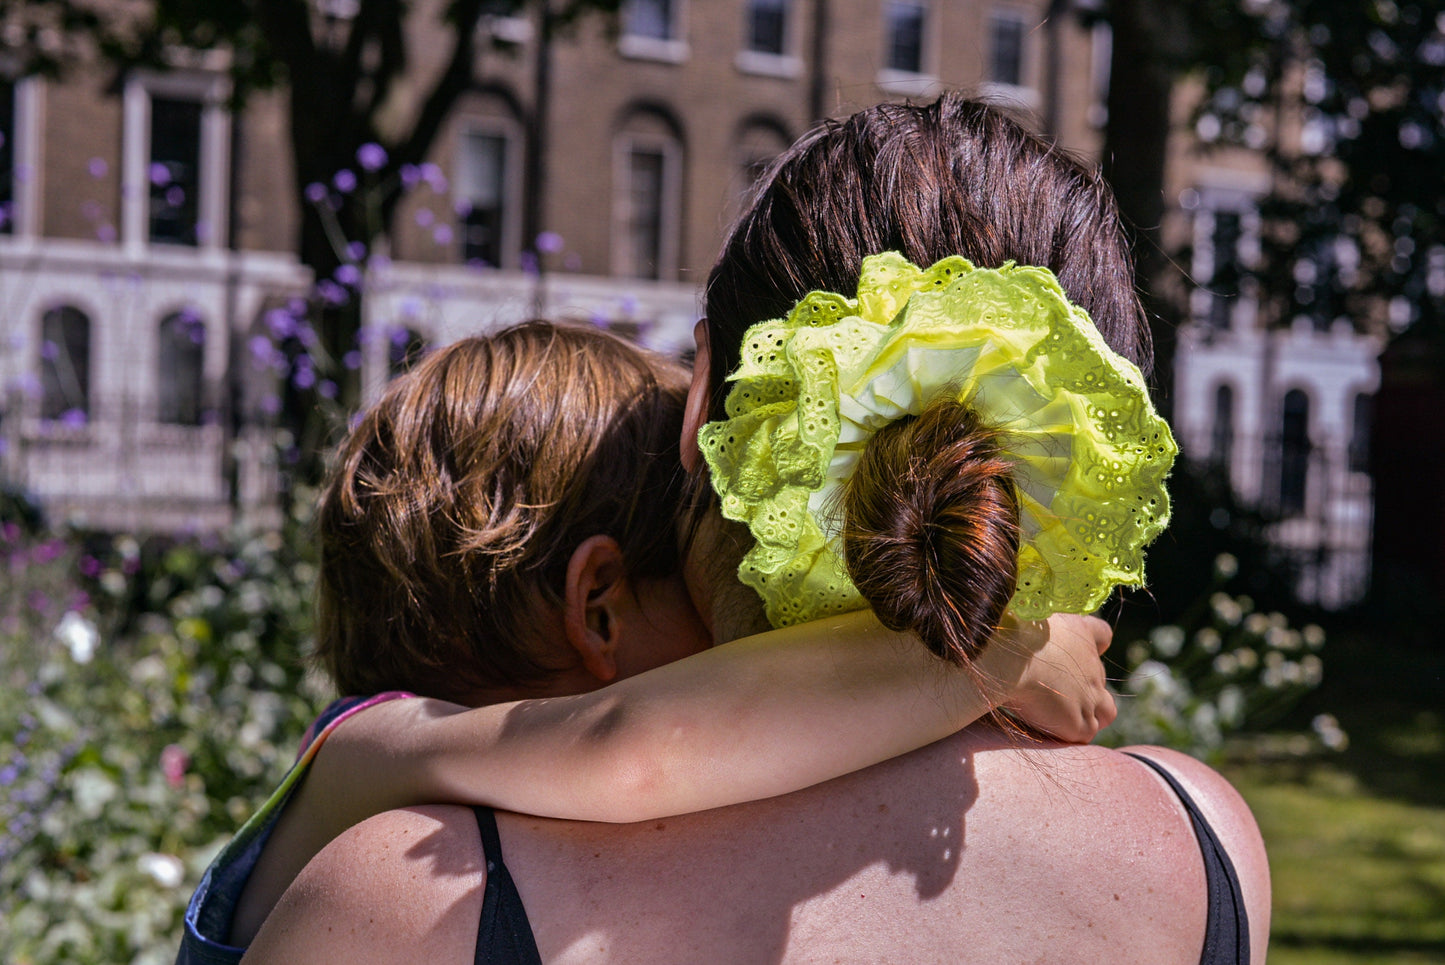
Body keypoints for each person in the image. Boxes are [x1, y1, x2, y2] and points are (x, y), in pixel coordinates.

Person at [240, 94, 1269, 964]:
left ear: (707, 410)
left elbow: (630, 750)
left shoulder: (408, 896)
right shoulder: (1203, 841)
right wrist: (991, 641)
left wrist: (992, 652)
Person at [178, 321, 1116, 963]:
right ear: (600, 610)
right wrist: (997, 653)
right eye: (719, 596)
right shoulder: (365, 750)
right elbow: (630, 748)